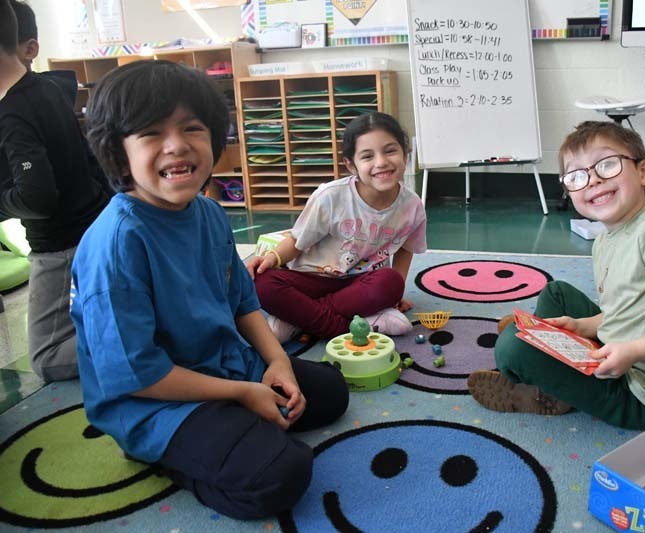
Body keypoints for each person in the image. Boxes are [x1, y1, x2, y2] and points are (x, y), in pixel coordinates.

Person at [71, 60, 349, 519]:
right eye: (151, 133)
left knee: (331, 392)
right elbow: (139, 375)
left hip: (221, 365)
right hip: (152, 402)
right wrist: (241, 394)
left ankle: (235, 421)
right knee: (280, 474)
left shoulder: (209, 212)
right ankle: (166, 459)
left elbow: (243, 301)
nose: (176, 145)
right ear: (119, 154)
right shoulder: (117, 243)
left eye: (192, 128)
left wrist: (278, 361)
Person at [467, 121, 645, 430]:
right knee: (556, 294)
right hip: (623, 351)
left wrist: (633, 350)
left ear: (644, 172)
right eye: (577, 175)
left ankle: (543, 390)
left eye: (607, 165)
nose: (593, 180)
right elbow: (626, 311)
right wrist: (582, 326)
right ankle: (550, 367)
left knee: (512, 347)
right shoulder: (607, 238)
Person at [247, 111, 427, 342]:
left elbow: (406, 248)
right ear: (351, 165)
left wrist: (395, 294)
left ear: (406, 153)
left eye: (390, 150)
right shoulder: (330, 197)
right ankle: (356, 324)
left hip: (358, 284)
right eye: (367, 156)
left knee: (391, 282)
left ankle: (299, 319)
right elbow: (297, 241)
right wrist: (272, 258)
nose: (381, 162)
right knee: (261, 282)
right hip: (311, 279)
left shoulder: (412, 207)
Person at [0, 0, 108, 381]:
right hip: (91, 222)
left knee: (47, 357)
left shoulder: (12, 111)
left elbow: (38, 198)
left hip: (60, 245)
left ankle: (152, 343)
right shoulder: (46, 88)